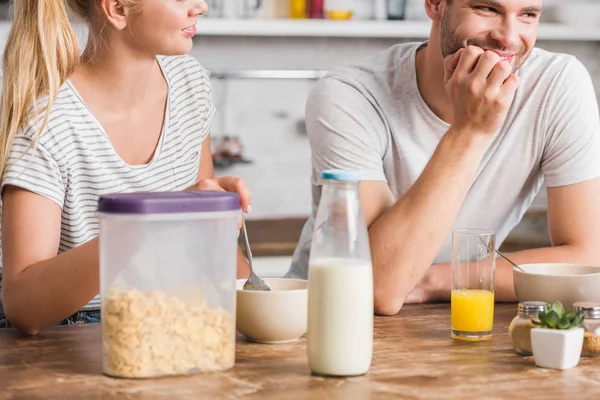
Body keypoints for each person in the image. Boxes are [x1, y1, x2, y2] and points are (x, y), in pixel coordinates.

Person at [286, 0, 600, 315]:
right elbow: (378, 286)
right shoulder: (349, 95)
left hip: (444, 315)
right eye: (487, 9)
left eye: (527, 15)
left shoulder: (557, 85)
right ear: (435, 4)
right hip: (326, 318)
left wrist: (435, 280)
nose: (508, 37)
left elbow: (587, 257)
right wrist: (470, 131)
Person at [0, 0, 252, 335]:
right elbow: (23, 306)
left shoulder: (189, 83)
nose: (201, 6)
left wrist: (257, 301)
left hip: (171, 316)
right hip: (75, 335)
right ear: (118, 9)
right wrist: (155, 217)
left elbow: (212, 242)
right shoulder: (49, 122)